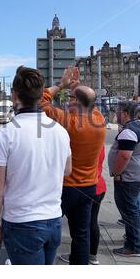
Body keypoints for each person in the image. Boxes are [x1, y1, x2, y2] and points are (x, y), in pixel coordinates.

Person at [0, 66, 72, 265]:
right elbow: (67, 170)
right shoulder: (60, 131)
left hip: (22, 224)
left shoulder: (6, 133)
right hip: (53, 221)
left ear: (15, 96)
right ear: (41, 95)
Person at [42, 67, 106, 265]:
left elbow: (40, 102)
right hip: (89, 188)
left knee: (48, 226)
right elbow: (90, 101)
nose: (67, 101)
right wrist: (76, 88)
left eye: (70, 98)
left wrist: (62, 84)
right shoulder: (100, 121)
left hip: (65, 187)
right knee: (81, 234)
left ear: (76, 102)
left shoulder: (67, 120)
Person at [108, 101, 140, 257]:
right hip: (136, 175)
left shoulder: (129, 131)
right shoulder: (138, 126)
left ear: (125, 113)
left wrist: (117, 173)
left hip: (128, 177)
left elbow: (125, 155)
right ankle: (136, 236)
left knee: (128, 210)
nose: (115, 114)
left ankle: (134, 246)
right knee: (132, 209)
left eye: (117, 111)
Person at [60, 145, 107, 265]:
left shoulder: (76, 142)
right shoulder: (98, 141)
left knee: (81, 228)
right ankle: (91, 255)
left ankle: (85, 255)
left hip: (80, 187)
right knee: (89, 225)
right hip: (97, 185)